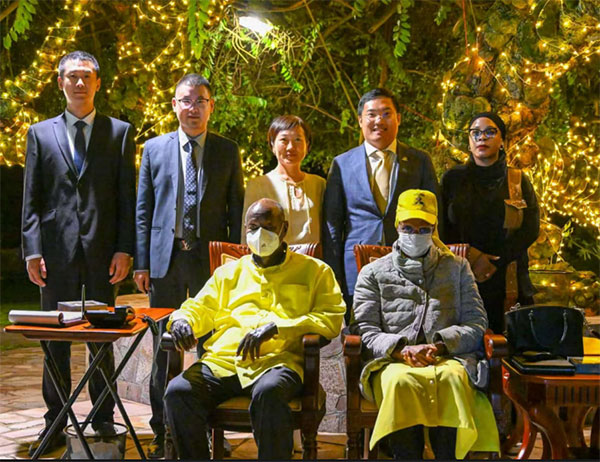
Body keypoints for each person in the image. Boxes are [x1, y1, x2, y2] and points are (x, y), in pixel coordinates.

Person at [163, 198, 345, 460]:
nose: (260, 234)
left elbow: (330, 318)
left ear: (284, 229)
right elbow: (199, 307)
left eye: (268, 227)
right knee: (179, 392)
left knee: (269, 392)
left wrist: (278, 327)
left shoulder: (315, 271)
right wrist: (182, 320)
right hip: (224, 363)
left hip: (279, 363)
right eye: (253, 227)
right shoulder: (228, 273)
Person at [21, 51, 136, 455]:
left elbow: (126, 197)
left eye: (87, 76)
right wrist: (32, 250)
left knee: (102, 340)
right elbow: (32, 198)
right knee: (55, 341)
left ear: (98, 83)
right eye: (72, 76)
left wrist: (125, 248)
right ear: (60, 83)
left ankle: (103, 417)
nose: (80, 83)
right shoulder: (40, 134)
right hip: (55, 253)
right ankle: (55, 421)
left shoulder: (119, 133)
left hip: (104, 253)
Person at [134, 73, 244, 457]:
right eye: (185, 100)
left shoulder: (227, 151)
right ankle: (162, 431)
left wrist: (233, 264)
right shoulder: (154, 149)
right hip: (165, 262)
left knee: (212, 348)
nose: (192, 108)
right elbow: (144, 210)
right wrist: (142, 263)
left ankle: (212, 432)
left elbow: (236, 209)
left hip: (209, 263)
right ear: (174, 105)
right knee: (163, 348)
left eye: (200, 101)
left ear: (211, 106)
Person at [351, 189, 499, 460]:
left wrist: (440, 346)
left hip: (448, 357)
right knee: (401, 382)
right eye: (408, 228)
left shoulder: (458, 268)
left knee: (452, 379)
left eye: (423, 229)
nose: (415, 235)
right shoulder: (373, 272)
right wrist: (401, 350)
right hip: (392, 361)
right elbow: (364, 329)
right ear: (397, 226)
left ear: (434, 229)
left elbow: (476, 322)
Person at [323, 88, 439, 321]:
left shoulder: (419, 161)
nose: (379, 121)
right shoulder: (342, 164)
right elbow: (332, 225)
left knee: (407, 329)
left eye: (386, 114)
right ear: (360, 120)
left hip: (411, 265)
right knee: (361, 331)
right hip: (356, 269)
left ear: (398, 118)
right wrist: (334, 275)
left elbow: (435, 219)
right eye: (372, 115)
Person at [441, 112, 539, 333]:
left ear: (502, 140)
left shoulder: (517, 180)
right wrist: (472, 256)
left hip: (507, 276)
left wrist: (496, 261)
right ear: (469, 141)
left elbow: (531, 228)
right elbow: (442, 227)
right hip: (462, 273)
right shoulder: (452, 179)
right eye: (475, 133)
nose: (482, 137)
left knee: (509, 343)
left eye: (490, 132)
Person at [242, 115, 325, 245]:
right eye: (284, 140)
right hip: (274, 257)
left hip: (313, 258)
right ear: (272, 144)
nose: (291, 147)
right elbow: (247, 236)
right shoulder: (258, 185)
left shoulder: (319, 185)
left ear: (307, 145)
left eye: (298, 139)